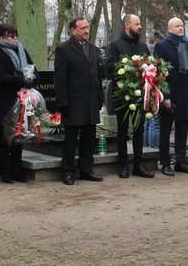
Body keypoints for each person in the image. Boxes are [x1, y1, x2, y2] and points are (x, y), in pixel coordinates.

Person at [54, 17, 104, 185]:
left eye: (87, 27)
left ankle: (86, 170)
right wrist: (63, 102)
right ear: (73, 30)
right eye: (82, 28)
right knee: (70, 141)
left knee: (88, 140)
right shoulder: (63, 49)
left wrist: (99, 98)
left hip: (91, 102)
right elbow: (59, 79)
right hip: (73, 103)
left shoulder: (93, 49)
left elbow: (97, 75)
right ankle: (67, 171)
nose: (86, 31)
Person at [105, 14, 153, 178]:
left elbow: (149, 66)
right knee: (122, 131)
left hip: (140, 94)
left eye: (140, 24)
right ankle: (123, 165)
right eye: (137, 24)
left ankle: (138, 165)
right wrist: (127, 67)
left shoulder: (143, 46)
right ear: (127, 25)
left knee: (139, 130)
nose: (140, 27)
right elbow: (109, 67)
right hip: (122, 95)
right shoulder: (115, 45)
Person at [152, 17, 188, 177]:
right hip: (170, 95)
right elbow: (159, 72)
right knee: (165, 130)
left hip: (186, 94)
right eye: (177, 26)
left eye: (182, 25)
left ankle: (181, 162)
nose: (181, 28)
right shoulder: (162, 46)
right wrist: (165, 97)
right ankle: (165, 163)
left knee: (182, 130)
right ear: (169, 28)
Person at [0, 23, 36, 183]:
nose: (15, 38)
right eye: (11, 35)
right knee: (5, 137)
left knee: (19, 135)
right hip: (5, 100)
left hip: (22, 99)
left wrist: (31, 78)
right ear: (1, 37)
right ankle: (6, 172)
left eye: (16, 35)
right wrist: (20, 80)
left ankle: (17, 170)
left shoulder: (22, 51)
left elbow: (32, 67)